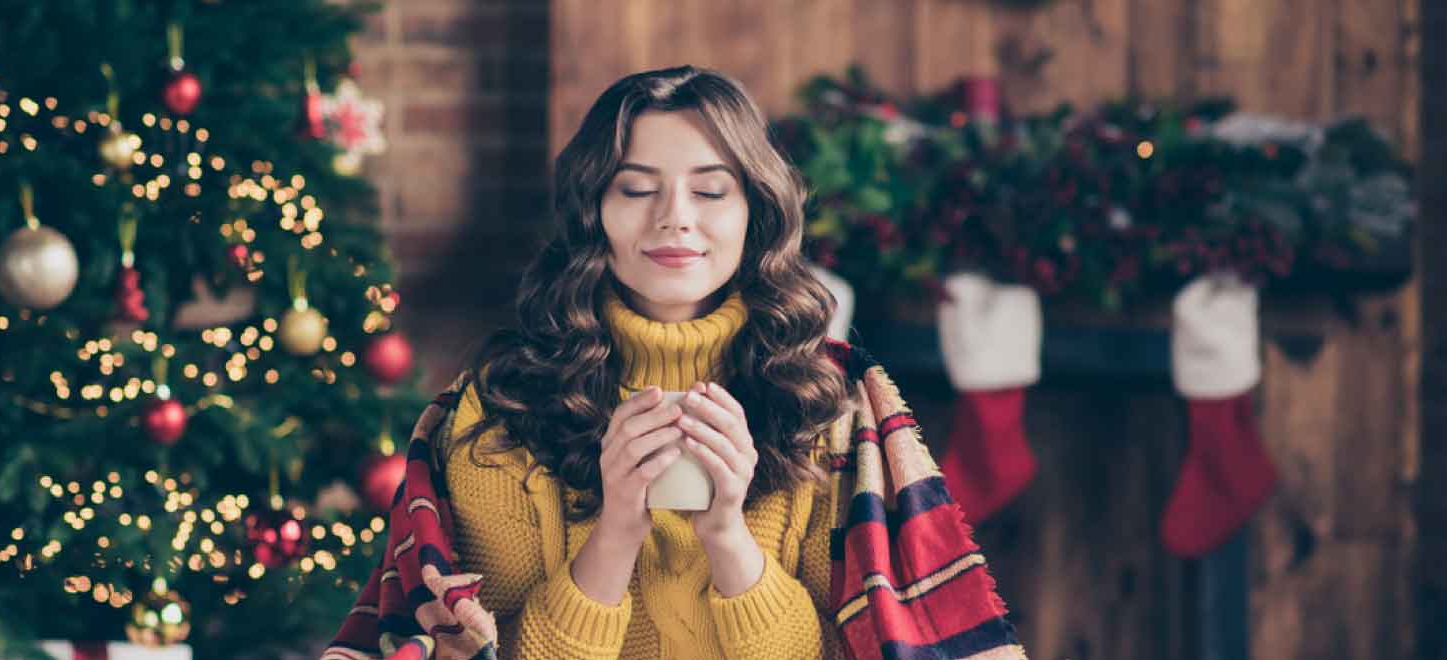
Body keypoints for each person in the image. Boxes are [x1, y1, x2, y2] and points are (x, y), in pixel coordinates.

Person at [324, 65, 1023, 660]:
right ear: (593, 210)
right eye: (636, 189)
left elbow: (837, 650)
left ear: (755, 211)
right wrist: (616, 531)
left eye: (711, 190)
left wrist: (726, 534)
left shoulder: (824, 402)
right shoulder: (504, 405)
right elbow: (481, 651)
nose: (675, 217)